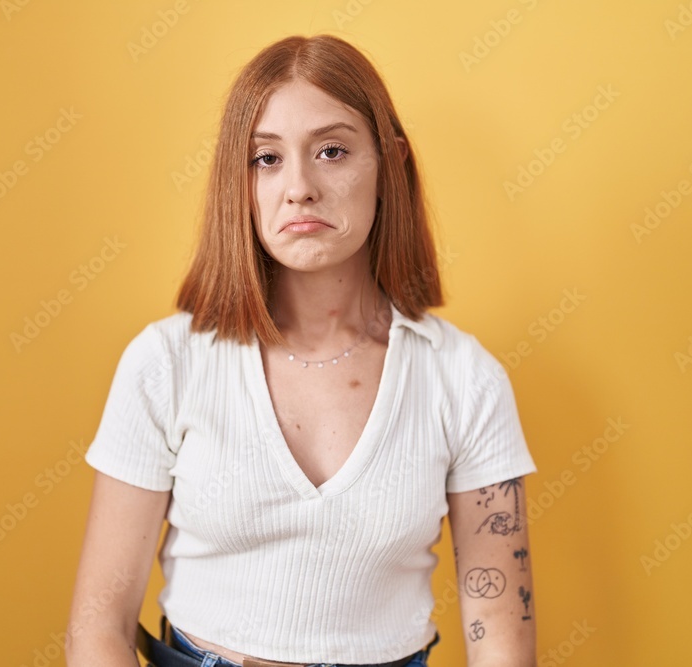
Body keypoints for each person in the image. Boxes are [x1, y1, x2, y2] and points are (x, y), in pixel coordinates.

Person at [66, 34, 538, 667]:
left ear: (390, 163)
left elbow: (500, 631)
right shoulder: (165, 364)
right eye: (266, 159)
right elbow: (99, 626)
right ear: (239, 179)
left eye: (333, 151)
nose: (299, 187)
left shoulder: (466, 380)